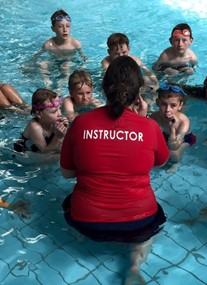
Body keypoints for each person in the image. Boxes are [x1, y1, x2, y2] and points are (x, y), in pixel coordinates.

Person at [60, 56, 170, 284]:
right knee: (155, 220)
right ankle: (134, 265)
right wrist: (142, 122)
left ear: (103, 87)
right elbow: (159, 164)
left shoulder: (81, 122)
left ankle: (81, 239)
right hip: (140, 223)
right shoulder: (149, 126)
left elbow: (67, 173)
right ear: (138, 92)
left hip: (87, 221)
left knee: (68, 201)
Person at [26, 9, 86, 91]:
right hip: (54, 62)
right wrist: (30, 64)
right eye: (60, 26)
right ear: (53, 29)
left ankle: (63, 83)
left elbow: (83, 57)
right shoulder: (48, 45)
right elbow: (36, 56)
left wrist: (83, 68)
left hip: (69, 62)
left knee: (66, 66)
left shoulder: (75, 44)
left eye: (68, 26)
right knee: (42, 64)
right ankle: (47, 82)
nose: (65, 30)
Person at [151, 83, 196, 172]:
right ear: (157, 103)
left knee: (173, 153)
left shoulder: (183, 122)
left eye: (173, 105)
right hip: (165, 135)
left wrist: (172, 129)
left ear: (180, 106)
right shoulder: (154, 116)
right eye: (163, 104)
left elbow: (173, 146)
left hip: (185, 139)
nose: (168, 109)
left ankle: (176, 163)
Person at [14, 88, 68, 155]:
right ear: (39, 114)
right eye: (54, 112)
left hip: (44, 148)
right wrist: (58, 137)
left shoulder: (54, 121)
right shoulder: (35, 126)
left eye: (59, 109)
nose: (60, 114)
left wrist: (65, 131)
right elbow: (44, 151)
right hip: (22, 154)